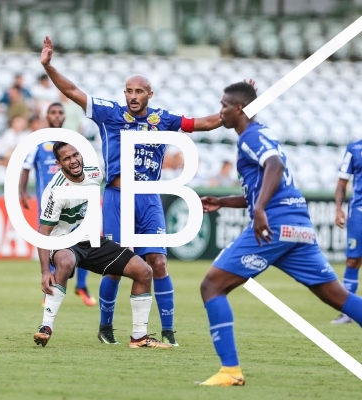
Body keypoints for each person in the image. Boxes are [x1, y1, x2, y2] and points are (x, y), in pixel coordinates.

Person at [40, 35, 236, 346]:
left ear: (149, 94)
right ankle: (106, 327)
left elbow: (207, 122)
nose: (133, 96)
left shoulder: (163, 120)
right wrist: (49, 66)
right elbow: (73, 92)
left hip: (149, 198)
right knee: (119, 265)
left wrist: (239, 108)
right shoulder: (110, 114)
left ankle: (167, 331)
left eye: (139, 91)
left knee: (158, 263)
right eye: (129, 91)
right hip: (117, 198)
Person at [196, 82, 362, 386]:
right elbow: (264, 182)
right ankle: (229, 371)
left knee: (212, 286)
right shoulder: (264, 133)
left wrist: (259, 210)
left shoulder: (250, 137)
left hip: (274, 225)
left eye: (224, 105)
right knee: (337, 296)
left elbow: (274, 164)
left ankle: (230, 372)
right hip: (297, 225)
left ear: (239, 109)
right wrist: (223, 202)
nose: (220, 111)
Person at [33, 142, 170, 349]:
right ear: (59, 164)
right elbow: (44, 232)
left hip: (91, 240)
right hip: (64, 242)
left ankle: (139, 337)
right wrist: (45, 271)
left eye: (75, 154)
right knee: (66, 261)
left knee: (144, 271)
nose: (73, 160)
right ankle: (46, 327)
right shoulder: (55, 190)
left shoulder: (94, 173)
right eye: (67, 158)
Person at [20, 103, 96, 307]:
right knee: (53, 244)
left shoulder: (71, 143)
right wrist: (22, 191)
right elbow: (26, 168)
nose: (56, 115)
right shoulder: (39, 143)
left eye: (60, 112)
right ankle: (51, 287)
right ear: (47, 116)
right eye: (52, 112)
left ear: (64, 116)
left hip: (76, 202)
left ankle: (82, 285)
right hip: (51, 205)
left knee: (85, 241)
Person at [332, 139, 362, 324]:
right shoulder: (355, 148)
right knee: (353, 260)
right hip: (359, 213)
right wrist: (338, 209)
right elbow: (342, 182)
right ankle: (348, 312)